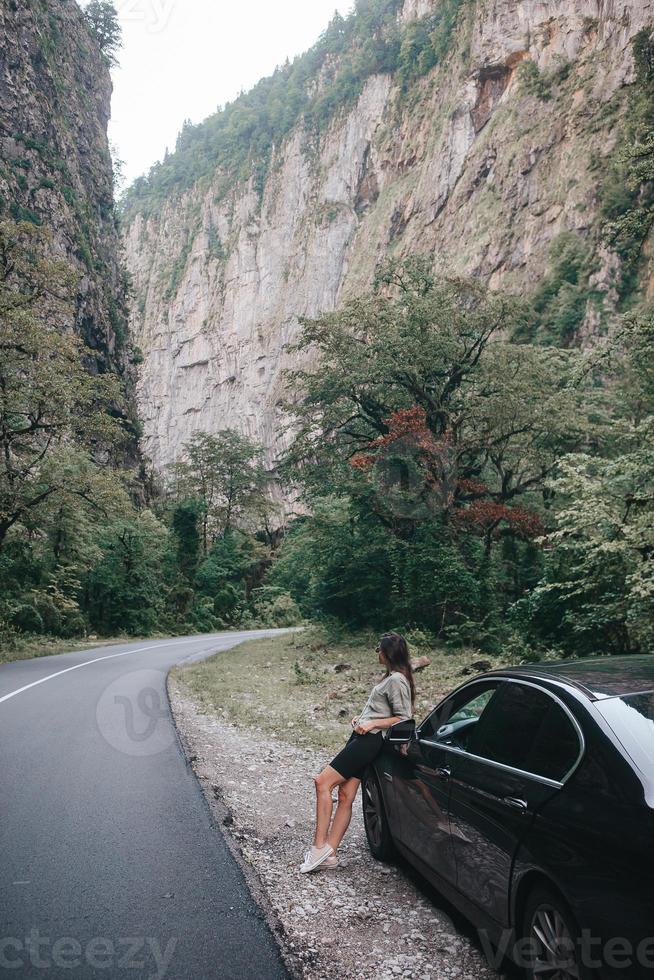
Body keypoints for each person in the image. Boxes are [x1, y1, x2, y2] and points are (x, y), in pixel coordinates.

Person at [299, 632, 415, 873]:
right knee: (345, 795)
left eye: (378, 649)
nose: (376, 653)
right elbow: (384, 712)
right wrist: (363, 718)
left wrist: (372, 724)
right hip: (363, 737)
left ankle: (319, 847)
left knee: (322, 783)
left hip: (368, 742)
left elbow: (404, 718)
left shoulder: (396, 680)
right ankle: (330, 854)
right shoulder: (393, 678)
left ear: (387, 653)